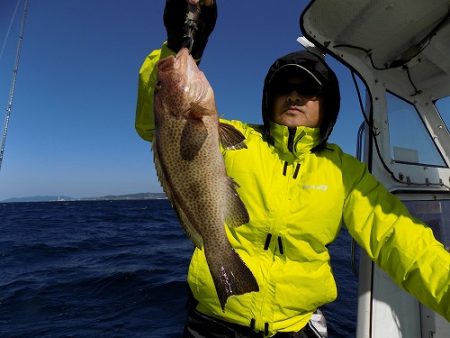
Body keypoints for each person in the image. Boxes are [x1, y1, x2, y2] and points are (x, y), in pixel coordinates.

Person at [135, 1, 450, 337]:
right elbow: (154, 126)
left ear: (326, 104)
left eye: (309, 90)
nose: (295, 96)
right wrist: (179, 45)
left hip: (295, 327)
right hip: (212, 320)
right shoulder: (237, 140)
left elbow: (396, 237)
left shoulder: (344, 171)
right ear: (269, 98)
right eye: (285, 88)